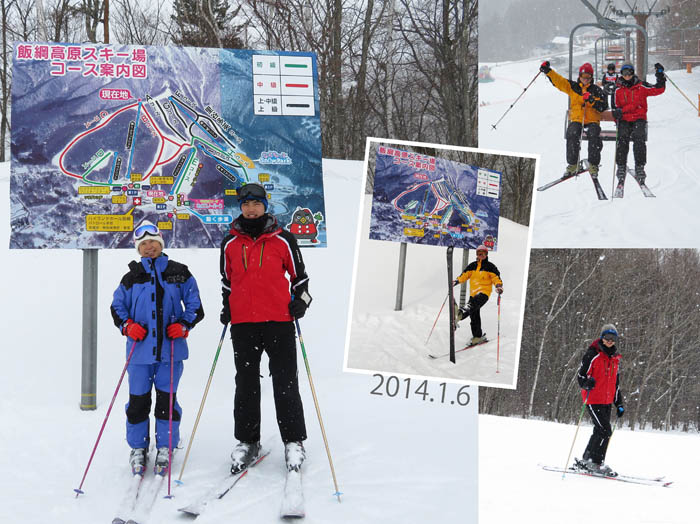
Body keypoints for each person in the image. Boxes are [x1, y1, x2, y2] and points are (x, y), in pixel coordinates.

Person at [220, 182, 312, 474]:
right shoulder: (230, 243)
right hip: (244, 324)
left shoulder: (283, 239)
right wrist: (227, 307)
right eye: (245, 204)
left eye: (256, 203)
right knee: (246, 383)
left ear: (265, 205)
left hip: (279, 322)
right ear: (240, 207)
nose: (250, 209)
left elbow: (300, 279)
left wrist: (302, 302)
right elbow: (226, 281)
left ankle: (293, 441)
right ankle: (248, 441)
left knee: (285, 382)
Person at [111, 220, 204, 475]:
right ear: (138, 249)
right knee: (138, 401)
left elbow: (195, 305)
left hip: (170, 352)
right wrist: (128, 326)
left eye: (153, 242)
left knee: (167, 401)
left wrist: (184, 325)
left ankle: (166, 445)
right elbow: (117, 308)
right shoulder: (131, 277)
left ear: (161, 243)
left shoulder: (179, 272)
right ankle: (138, 447)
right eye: (143, 244)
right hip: (139, 354)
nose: (148, 247)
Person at [539, 61, 608, 178]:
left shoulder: (597, 90)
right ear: (579, 76)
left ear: (591, 77)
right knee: (572, 132)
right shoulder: (573, 87)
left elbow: (603, 106)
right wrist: (548, 71)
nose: (585, 79)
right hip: (577, 118)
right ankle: (573, 164)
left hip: (592, 120)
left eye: (588, 77)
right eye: (583, 76)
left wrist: (592, 100)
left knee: (594, 134)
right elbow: (559, 81)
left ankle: (593, 164)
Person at [575, 323, 624, 476]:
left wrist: (619, 403)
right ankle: (596, 462)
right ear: (602, 338)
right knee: (605, 430)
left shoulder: (615, 359)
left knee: (599, 430)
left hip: (607, 401)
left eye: (613, 338)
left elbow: (615, 384)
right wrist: (586, 383)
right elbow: (581, 375)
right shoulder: (593, 354)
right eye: (607, 337)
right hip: (593, 398)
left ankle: (587, 459)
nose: (610, 340)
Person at [612, 63, 666, 184]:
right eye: (624, 73)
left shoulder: (641, 86)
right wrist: (618, 117)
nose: (627, 76)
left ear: (633, 73)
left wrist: (660, 75)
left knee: (639, 138)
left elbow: (658, 89)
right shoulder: (618, 89)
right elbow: (615, 108)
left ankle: (639, 167)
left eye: (629, 73)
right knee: (622, 138)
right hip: (625, 120)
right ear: (621, 74)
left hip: (638, 118)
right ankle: (621, 166)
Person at [452, 244, 503, 345]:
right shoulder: (472, 265)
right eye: (479, 254)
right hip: (473, 294)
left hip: (483, 293)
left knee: (472, 305)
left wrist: (498, 286)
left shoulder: (490, 267)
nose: (481, 256)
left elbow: (496, 278)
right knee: (474, 315)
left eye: (483, 254)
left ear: (486, 254)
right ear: (477, 255)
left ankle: (460, 314)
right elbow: (464, 275)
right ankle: (477, 336)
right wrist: (456, 281)